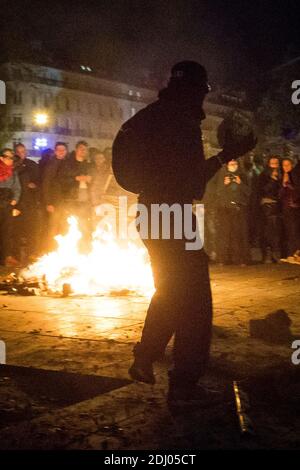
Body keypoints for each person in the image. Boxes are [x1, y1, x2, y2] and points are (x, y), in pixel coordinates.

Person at [113, 60, 256, 405]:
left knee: (171, 288)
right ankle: (184, 386)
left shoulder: (149, 115)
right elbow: (192, 182)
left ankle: (145, 357)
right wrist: (226, 156)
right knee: (195, 301)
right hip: (173, 214)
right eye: (204, 92)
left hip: (149, 212)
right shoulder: (182, 122)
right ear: (195, 89)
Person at [58, 140, 93, 250]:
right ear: (77, 149)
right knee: (72, 223)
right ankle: (70, 248)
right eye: (81, 149)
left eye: (85, 149)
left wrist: (90, 179)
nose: (83, 151)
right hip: (72, 199)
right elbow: (62, 179)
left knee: (85, 224)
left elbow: (95, 179)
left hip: (86, 198)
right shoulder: (68, 164)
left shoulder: (88, 165)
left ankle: (84, 247)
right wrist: (76, 178)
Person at [216, 159, 251, 265]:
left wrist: (240, 183)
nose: (233, 166)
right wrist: (224, 184)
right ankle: (224, 258)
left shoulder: (243, 176)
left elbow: (248, 192)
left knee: (239, 234)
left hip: (239, 208)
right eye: (231, 164)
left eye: (235, 164)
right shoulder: (222, 176)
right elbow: (218, 192)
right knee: (226, 234)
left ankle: (241, 259)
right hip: (226, 209)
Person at [13, 143, 40, 262]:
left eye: (22, 151)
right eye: (18, 152)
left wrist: (35, 185)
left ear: (26, 152)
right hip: (17, 202)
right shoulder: (12, 166)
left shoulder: (32, 165)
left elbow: (40, 180)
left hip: (30, 201)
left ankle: (32, 253)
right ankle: (16, 255)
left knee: (31, 229)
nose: (20, 154)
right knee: (16, 230)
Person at [41, 142, 68, 250]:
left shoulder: (68, 163)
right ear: (55, 151)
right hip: (55, 201)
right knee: (53, 226)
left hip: (66, 201)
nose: (61, 152)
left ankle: (62, 248)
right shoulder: (51, 164)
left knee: (64, 225)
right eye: (59, 150)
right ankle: (50, 249)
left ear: (66, 151)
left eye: (63, 150)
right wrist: (48, 202)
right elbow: (46, 184)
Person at [257, 156, 282, 263]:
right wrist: (272, 179)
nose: (274, 166)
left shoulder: (281, 175)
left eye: (276, 163)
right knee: (268, 231)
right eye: (272, 164)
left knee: (276, 231)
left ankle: (275, 253)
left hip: (278, 206)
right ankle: (267, 254)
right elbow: (262, 190)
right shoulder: (264, 175)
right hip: (267, 206)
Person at [0, 148, 21, 266]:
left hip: (7, 205)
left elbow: (17, 188)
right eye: (8, 157)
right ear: (1, 158)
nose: (11, 160)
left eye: (12, 158)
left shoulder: (13, 173)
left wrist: (14, 201)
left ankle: (6, 257)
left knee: (7, 231)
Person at [280, 158, 300, 257]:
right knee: (289, 231)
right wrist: (283, 185)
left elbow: (297, 190)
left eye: (288, 165)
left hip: (295, 207)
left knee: (295, 230)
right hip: (286, 208)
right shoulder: (281, 176)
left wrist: (288, 184)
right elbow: (279, 195)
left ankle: (296, 252)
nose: (286, 167)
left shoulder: (295, 176)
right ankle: (292, 252)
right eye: (284, 165)